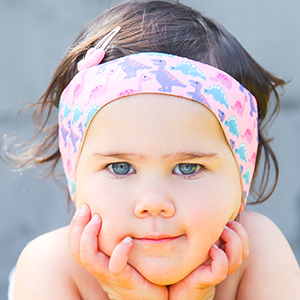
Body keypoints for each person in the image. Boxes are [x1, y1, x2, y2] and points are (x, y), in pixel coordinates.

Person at [4, 1, 300, 299]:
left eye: (188, 168)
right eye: (120, 167)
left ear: (241, 181)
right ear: (75, 180)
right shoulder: (50, 267)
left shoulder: (259, 251)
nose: (154, 203)